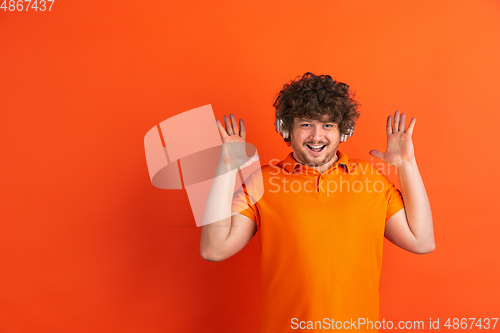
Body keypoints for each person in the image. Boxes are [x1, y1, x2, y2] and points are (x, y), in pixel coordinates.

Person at [200, 72, 435, 332]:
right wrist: (227, 167)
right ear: (286, 128)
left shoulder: (370, 180)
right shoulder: (263, 182)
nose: (316, 136)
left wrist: (406, 165)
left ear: (343, 131)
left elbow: (421, 241)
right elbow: (214, 249)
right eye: (306, 124)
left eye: (327, 125)